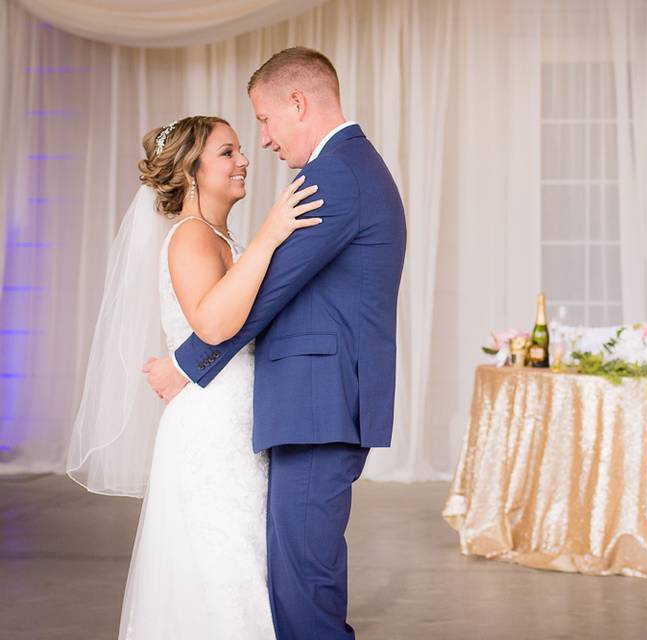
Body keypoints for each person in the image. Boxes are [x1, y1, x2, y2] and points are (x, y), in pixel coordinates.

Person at [143, 47, 407, 639]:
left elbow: (268, 292)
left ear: (297, 102)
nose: (261, 141)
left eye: (263, 120)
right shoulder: (346, 166)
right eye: (238, 140)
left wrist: (188, 366)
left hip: (317, 406)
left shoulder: (334, 174)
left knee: (302, 585)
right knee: (294, 577)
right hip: (312, 404)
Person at [69, 114, 324, 638]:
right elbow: (213, 324)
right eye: (227, 153)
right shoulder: (190, 237)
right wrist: (271, 236)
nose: (245, 159)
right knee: (223, 560)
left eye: (239, 150)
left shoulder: (216, 236)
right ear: (191, 172)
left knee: (241, 555)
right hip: (210, 428)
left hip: (231, 418)